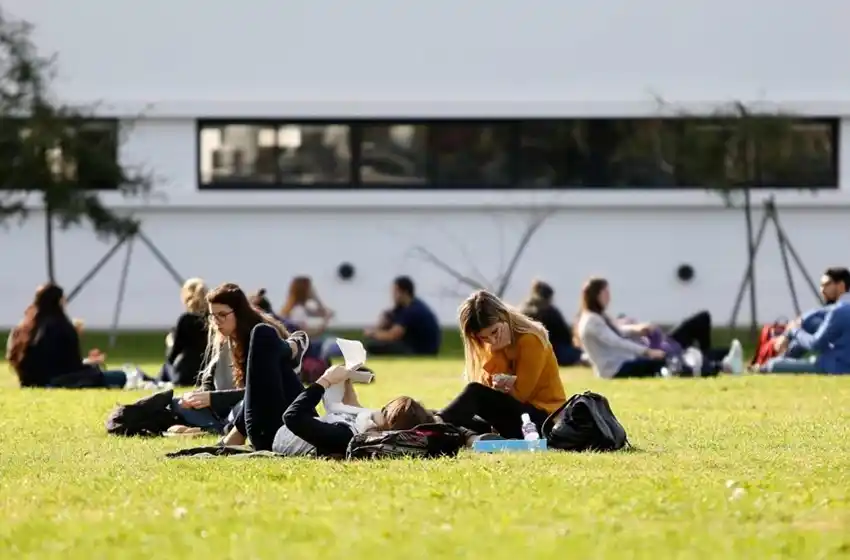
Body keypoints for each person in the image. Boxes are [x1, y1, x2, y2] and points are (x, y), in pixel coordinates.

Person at [182, 282, 309, 449]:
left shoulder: (259, 337)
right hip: (232, 410)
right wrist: (202, 395)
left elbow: (259, 389)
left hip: (257, 410)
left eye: (222, 315)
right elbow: (210, 375)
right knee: (174, 405)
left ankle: (290, 349)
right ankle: (292, 348)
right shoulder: (223, 335)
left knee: (238, 407)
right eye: (212, 316)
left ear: (239, 313)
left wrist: (213, 399)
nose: (216, 322)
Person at [436, 290, 566, 439]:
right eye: (484, 337)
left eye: (494, 332)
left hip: (544, 420)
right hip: (515, 417)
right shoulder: (489, 342)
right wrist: (502, 383)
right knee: (459, 413)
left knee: (474, 392)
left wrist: (498, 353)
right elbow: (490, 389)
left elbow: (520, 395)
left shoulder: (530, 340)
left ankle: (437, 426)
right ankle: (446, 430)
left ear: (504, 317)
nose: (491, 340)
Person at [575, 277, 743, 378]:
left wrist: (637, 329)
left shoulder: (596, 317)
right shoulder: (591, 321)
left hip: (622, 363)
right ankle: (722, 366)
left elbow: (618, 333)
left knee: (671, 360)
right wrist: (647, 352)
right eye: (605, 293)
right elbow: (616, 341)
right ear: (595, 295)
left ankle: (722, 362)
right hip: (616, 368)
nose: (609, 297)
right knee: (670, 362)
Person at [6, 283, 132, 388]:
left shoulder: (21, 328)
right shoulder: (61, 326)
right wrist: (91, 364)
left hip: (31, 381)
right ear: (60, 301)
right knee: (121, 375)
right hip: (58, 381)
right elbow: (72, 366)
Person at [763, 268, 850, 374]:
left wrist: (793, 331)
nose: (822, 290)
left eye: (827, 285)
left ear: (841, 285)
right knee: (810, 323)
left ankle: (768, 364)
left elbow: (816, 344)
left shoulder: (838, 311)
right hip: (840, 360)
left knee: (773, 365)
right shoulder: (840, 308)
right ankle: (782, 358)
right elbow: (815, 314)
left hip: (837, 366)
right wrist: (790, 331)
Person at [361, 276, 441, 356]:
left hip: (420, 351)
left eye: (396, 292)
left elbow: (392, 336)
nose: (393, 295)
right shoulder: (408, 306)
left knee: (373, 346)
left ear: (405, 292)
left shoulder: (413, 310)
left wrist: (372, 334)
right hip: (414, 347)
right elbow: (387, 323)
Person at [160, 278, 209, 386]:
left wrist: (170, 343)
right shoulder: (213, 319)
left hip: (185, 375)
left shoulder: (186, 320)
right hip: (206, 375)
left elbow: (172, 356)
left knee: (165, 367)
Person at [521, 279, 582, 366]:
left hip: (527, 354)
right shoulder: (550, 311)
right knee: (579, 353)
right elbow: (566, 335)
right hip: (552, 353)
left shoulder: (522, 310)